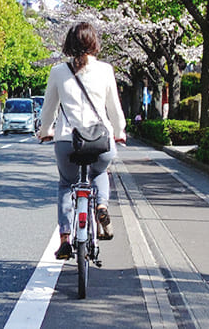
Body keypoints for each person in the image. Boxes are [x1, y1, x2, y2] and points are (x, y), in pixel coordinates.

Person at [37, 22, 127, 260]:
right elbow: (115, 109)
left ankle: (65, 238)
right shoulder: (106, 70)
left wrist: (46, 130)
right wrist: (120, 131)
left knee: (67, 183)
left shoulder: (57, 72)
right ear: (94, 43)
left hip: (67, 140)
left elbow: (49, 110)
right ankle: (101, 207)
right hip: (101, 140)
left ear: (68, 44)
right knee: (100, 173)